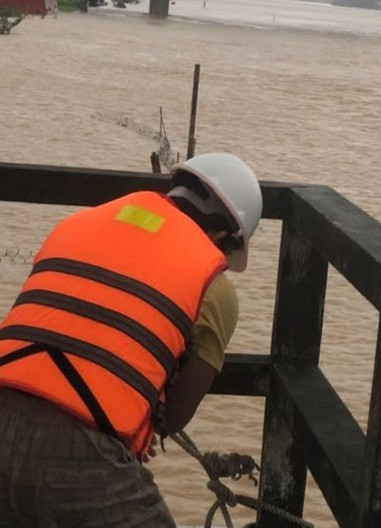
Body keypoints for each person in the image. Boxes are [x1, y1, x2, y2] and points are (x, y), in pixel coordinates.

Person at [0, 152, 263, 527]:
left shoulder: (77, 225)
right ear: (224, 237)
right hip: (82, 449)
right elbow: (173, 415)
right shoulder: (216, 290)